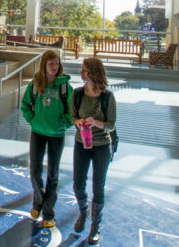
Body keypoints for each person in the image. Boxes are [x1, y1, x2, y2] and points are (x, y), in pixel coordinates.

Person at [20, 50, 73, 228]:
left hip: (57, 135)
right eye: (51, 63)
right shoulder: (35, 84)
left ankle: (49, 212)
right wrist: (32, 120)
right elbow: (25, 105)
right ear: (44, 64)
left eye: (57, 63)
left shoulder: (65, 87)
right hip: (38, 132)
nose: (54, 67)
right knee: (35, 172)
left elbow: (72, 112)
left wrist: (63, 123)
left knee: (53, 175)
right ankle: (39, 202)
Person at [71, 57, 116, 245]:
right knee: (78, 184)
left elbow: (111, 124)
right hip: (81, 143)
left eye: (85, 71)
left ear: (94, 73)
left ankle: (96, 226)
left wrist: (96, 123)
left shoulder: (107, 97)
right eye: (82, 70)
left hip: (101, 147)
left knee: (98, 186)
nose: (82, 74)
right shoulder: (78, 94)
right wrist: (78, 122)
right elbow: (72, 116)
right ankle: (84, 213)